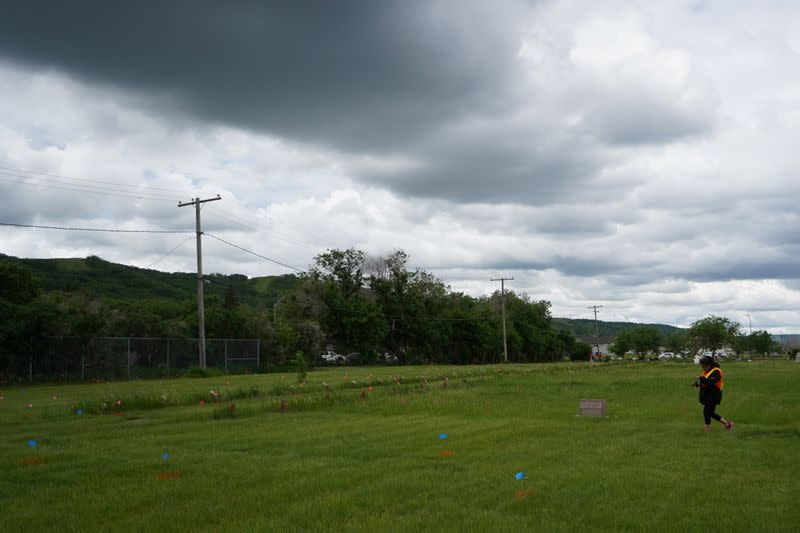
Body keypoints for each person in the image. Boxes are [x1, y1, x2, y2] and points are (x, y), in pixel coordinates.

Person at [692, 355, 733, 432]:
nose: (703, 368)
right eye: (702, 366)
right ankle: (727, 424)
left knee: (706, 412)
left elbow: (710, 382)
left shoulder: (717, 372)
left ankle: (707, 429)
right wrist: (696, 383)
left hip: (713, 396)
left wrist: (701, 379)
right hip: (707, 395)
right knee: (711, 413)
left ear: (709, 365)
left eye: (704, 366)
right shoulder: (706, 371)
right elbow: (702, 380)